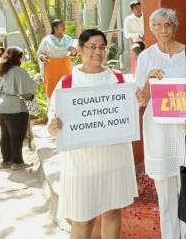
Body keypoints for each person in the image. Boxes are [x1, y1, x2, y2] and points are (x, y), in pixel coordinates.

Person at [47, 29, 138, 238]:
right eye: (92, 47)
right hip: (80, 163)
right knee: (81, 219)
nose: (98, 52)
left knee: (112, 211)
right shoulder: (67, 83)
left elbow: (130, 110)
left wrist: (142, 96)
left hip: (114, 159)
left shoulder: (118, 79)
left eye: (102, 47)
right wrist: (53, 126)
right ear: (80, 49)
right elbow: (53, 120)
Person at [135, 8, 186, 239]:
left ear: (175, 27)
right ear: (151, 29)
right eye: (158, 26)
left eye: (168, 25)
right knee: (165, 194)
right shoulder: (146, 57)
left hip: (185, 128)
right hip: (159, 130)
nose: (163, 30)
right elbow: (141, 100)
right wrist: (148, 80)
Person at [0, 46, 37, 170]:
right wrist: (36, 82)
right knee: (16, 136)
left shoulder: (2, 70)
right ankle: (17, 163)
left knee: (5, 135)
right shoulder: (18, 71)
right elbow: (27, 91)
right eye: (21, 56)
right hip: (14, 108)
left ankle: (6, 161)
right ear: (18, 57)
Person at [38, 19, 76, 98]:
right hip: (51, 68)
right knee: (52, 92)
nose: (64, 28)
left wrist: (73, 51)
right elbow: (40, 53)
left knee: (67, 90)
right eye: (61, 26)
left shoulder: (68, 39)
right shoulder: (46, 40)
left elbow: (74, 53)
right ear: (55, 28)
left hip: (66, 67)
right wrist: (42, 57)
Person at [124, 0, 145, 73]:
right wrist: (137, 35)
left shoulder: (146, 16)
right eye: (136, 8)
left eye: (140, 7)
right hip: (137, 42)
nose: (139, 9)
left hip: (149, 39)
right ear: (132, 10)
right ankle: (142, 70)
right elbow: (126, 34)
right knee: (136, 48)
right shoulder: (128, 20)